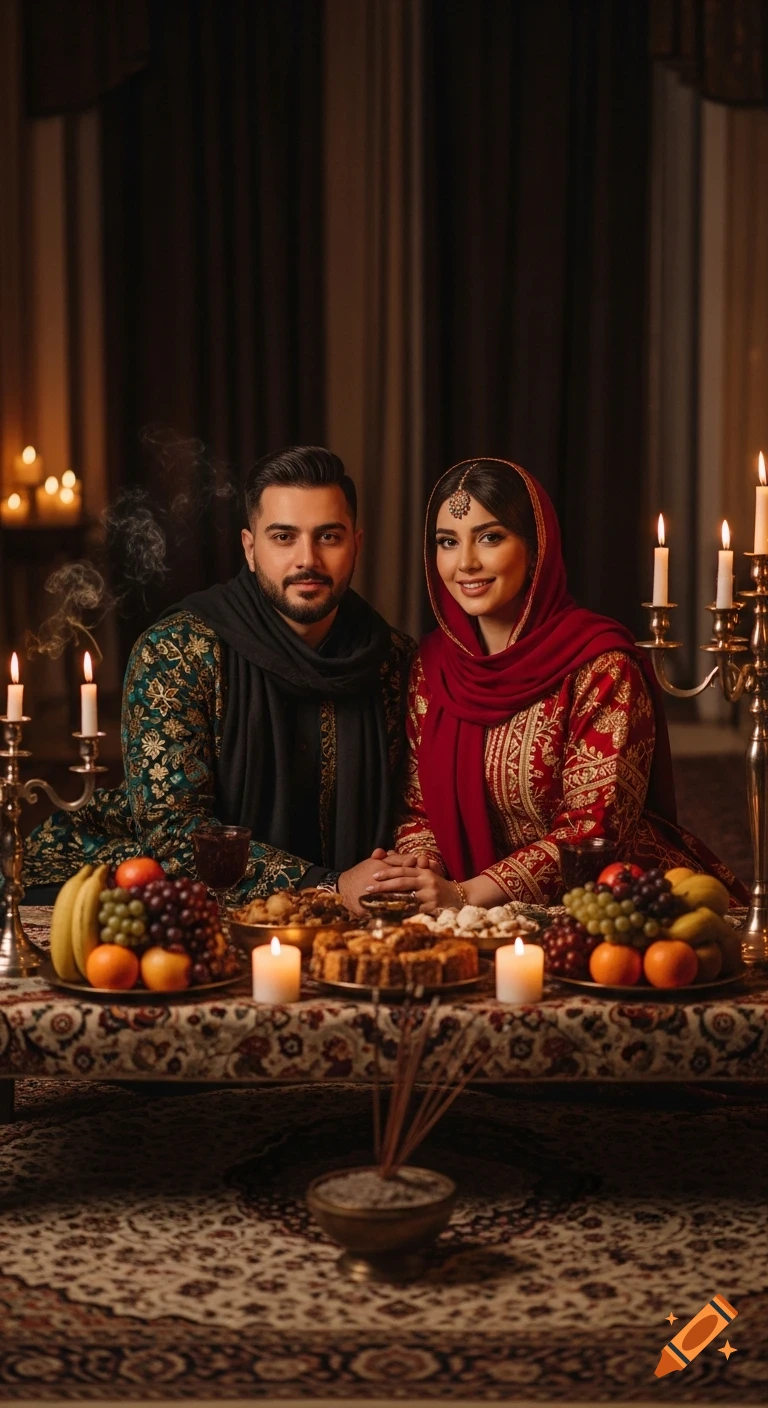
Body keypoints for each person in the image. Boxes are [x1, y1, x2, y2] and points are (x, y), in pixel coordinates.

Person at [23, 447, 414, 910]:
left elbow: (413, 807)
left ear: (357, 544)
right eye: (283, 537)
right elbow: (173, 835)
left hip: (344, 896)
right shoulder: (177, 653)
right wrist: (329, 886)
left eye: (328, 536)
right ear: (251, 549)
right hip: (128, 881)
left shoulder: (393, 660)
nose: (307, 559)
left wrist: (413, 865)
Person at [366, 457, 747, 910]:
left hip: (615, 907)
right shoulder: (433, 667)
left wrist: (465, 895)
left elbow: (591, 834)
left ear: (537, 547)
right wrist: (421, 868)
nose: (465, 563)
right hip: (470, 910)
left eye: (490, 538)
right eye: (447, 542)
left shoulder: (601, 666)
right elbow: (418, 809)